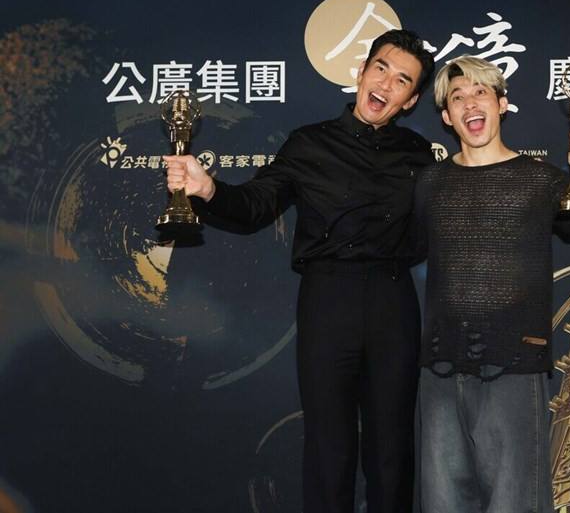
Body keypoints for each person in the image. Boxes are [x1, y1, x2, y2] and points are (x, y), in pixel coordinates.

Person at [164, 30, 435, 513]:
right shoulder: (309, 144)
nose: (385, 85)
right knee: (328, 447)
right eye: (381, 69)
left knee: (391, 450)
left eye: (401, 81)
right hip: (327, 301)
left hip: (393, 303)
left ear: (411, 99)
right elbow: (255, 204)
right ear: (361, 71)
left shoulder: (418, 154)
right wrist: (207, 190)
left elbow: (446, 221)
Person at [413, 55, 570, 513]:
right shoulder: (429, 184)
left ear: (502, 104)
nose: (469, 104)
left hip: (516, 371)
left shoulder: (543, 181)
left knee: (516, 505)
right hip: (440, 372)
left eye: (480, 92)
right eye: (456, 97)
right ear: (446, 117)